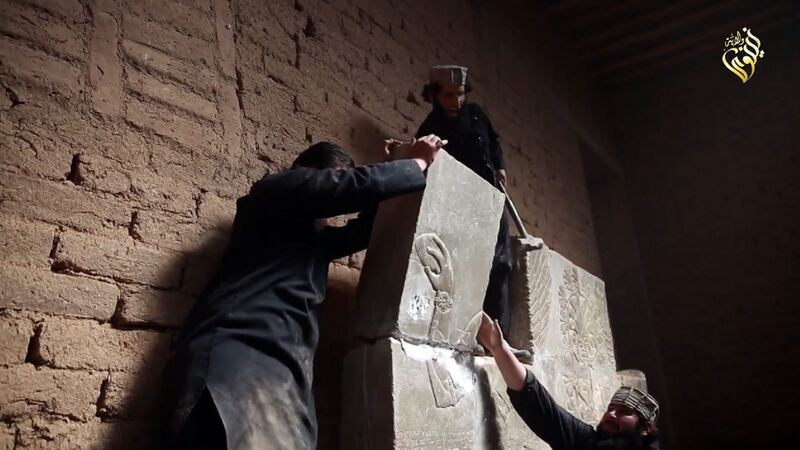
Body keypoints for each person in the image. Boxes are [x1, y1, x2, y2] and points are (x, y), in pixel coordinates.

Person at [160, 136, 446, 450]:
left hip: (280, 376)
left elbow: (363, 227)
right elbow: (344, 189)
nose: (328, 211)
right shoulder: (273, 191)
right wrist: (416, 163)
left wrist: (398, 169)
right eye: (332, 176)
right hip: (238, 355)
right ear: (306, 171)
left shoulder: (311, 244)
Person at [415, 65, 523, 357]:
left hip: (491, 199)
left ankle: (499, 338)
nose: (456, 101)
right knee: (468, 269)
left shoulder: (475, 114)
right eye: (449, 95)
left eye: (460, 94)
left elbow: (494, 140)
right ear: (435, 95)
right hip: (461, 208)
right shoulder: (429, 130)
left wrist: (499, 166)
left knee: (501, 265)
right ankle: (471, 335)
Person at [477, 312, 661, 450]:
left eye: (623, 412)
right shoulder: (586, 442)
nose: (611, 415)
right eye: (610, 409)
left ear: (645, 428)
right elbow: (537, 403)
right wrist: (499, 348)